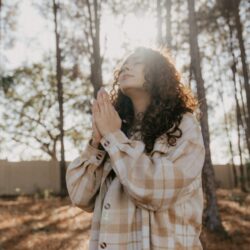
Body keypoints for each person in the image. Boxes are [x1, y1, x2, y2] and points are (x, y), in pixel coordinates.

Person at [66, 46, 205, 249]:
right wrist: (97, 142)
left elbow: (157, 190)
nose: (126, 67)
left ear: (158, 74)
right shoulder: (115, 129)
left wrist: (113, 138)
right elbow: (80, 196)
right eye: (124, 64)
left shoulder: (184, 125)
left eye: (137, 62)